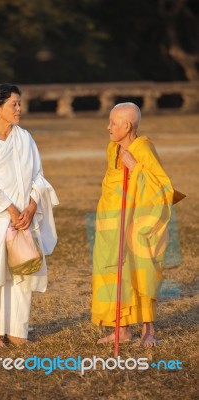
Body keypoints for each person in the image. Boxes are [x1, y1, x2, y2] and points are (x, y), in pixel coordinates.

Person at [0, 83, 59, 347]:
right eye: (14, 104)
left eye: (20, 103)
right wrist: (11, 210)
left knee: (23, 270)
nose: (19, 109)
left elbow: (38, 175)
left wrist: (31, 208)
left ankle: (18, 331)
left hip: (24, 220)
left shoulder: (25, 137)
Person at [91, 102, 176, 347]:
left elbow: (162, 189)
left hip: (138, 224)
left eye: (113, 123)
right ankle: (122, 329)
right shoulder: (112, 148)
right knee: (114, 271)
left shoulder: (144, 148)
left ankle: (148, 331)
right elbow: (111, 185)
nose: (108, 128)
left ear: (127, 126)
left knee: (142, 272)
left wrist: (136, 169)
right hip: (112, 222)